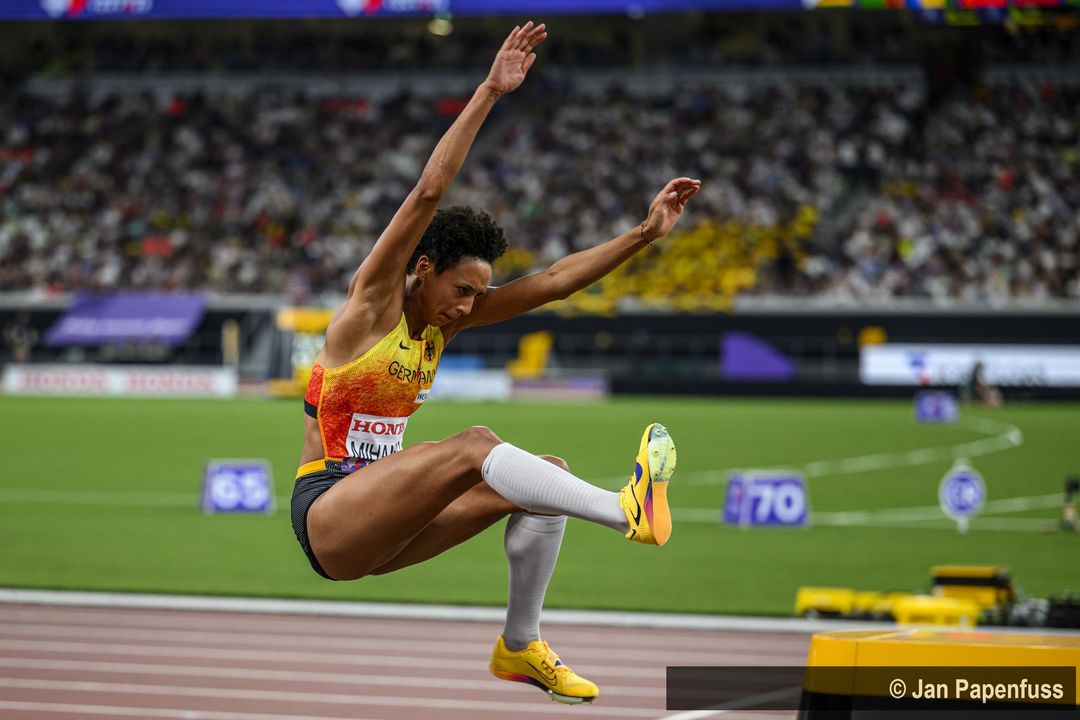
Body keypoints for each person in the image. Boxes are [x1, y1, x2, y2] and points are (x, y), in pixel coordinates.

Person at [291, 22, 700, 705]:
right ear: (424, 268)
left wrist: (644, 234)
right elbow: (427, 194)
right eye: (460, 290)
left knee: (546, 478)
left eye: (477, 296)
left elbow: (555, 282)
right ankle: (623, 510)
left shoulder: (445, 323)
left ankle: (520, 644)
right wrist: (489, 91)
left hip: (390, 524)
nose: (467, 307)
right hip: (330, 514)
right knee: (476, 443)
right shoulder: (370, 307)